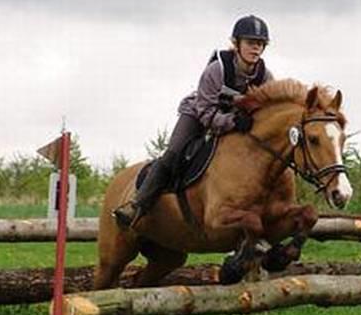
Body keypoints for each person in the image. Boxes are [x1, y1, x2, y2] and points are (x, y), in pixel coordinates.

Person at [113, 15, 274, 228]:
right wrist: (232, 121)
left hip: (235, 121)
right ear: (236, 44)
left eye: (260, 44)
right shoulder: (217, 70)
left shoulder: (265, 77)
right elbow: (206, 112)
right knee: (174, 153)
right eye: (250, 43)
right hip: (197, 115)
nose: (256, 49)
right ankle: (137, 205)